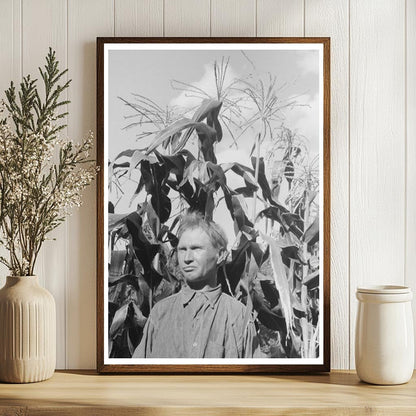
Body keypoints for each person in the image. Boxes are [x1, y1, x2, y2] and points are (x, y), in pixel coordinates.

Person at [133, 211, 259, 358]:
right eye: (182, 250)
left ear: (221, 255)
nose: (187, 258)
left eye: (196, 249)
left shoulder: (239, 316)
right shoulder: (160, 313)